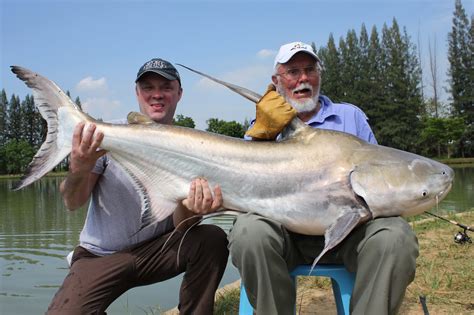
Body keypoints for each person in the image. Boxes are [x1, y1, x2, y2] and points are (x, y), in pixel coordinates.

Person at [228, 42, 419, 315]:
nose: (302, 79)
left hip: (351, 234)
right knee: (249, 232)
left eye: (309, 70)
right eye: (293, 71)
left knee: (396, 237)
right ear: (276, 81)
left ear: (319, 75)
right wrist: (265, 134)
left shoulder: (350, 116)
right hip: (286, 235)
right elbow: (245, 184)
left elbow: (382, 174)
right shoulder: (261, 123)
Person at [47, 58, 229, 315]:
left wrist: (194, 210)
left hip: (159, 250)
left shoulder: (193, 147)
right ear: (137, 93)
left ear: (179, 93)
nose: (157, 94)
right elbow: (72, 201)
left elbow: (181, 224)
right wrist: (79, 165)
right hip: (100, 256)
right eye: (148, 87)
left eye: (166, 87)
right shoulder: (106, 134)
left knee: (211, 239)